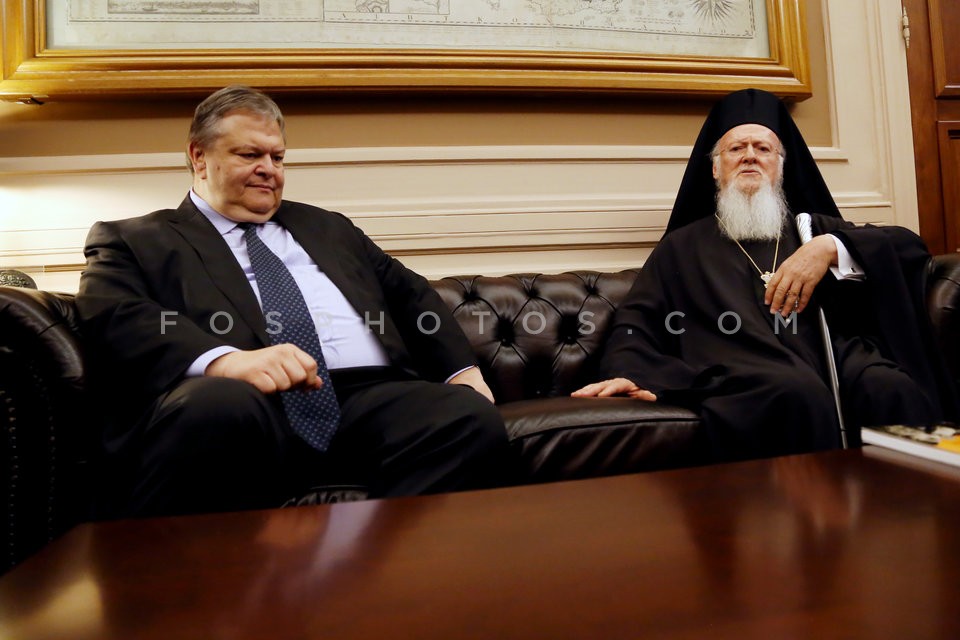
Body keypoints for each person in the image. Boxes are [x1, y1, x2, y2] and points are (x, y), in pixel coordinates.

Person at [76, 85, 511, 517]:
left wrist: (462, 371)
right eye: (250, 155)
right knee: (219, 405)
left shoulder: (329, 228)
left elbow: (409, 293)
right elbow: (116, 314)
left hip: (367, 397)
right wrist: (225, 361)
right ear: (199, 156)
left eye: (278, 158)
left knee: (466, 416)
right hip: (253, 405)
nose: (269, 170)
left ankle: (374, 557)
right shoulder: (137, 239)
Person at [573, 88, 958, 462]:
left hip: (832, 356)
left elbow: (909, 247)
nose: (749, 157)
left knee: (889, 387)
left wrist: (829, 247)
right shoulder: (682, 246)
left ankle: (910, 501)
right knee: (794, 392)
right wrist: (629, 372)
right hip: (745, 366)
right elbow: (638, 320)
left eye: (763, 148)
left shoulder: (812, 229)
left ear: (781, 167)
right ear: (715, 168)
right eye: (735, 149)